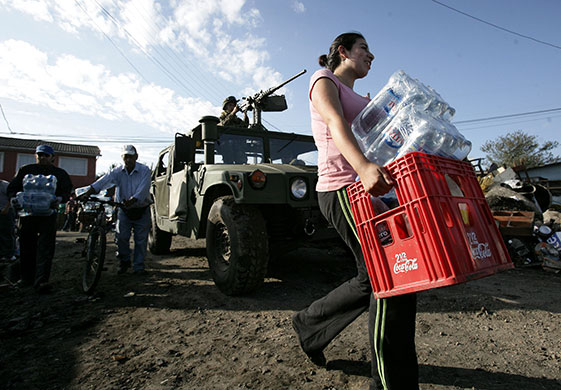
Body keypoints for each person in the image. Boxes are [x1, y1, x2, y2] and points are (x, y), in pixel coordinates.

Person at [290, 33, 419, 390]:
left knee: (372, 277)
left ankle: (309, 325)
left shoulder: (364, 99)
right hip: (343, 188)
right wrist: (362, 167)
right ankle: (393, 382)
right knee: (390, 277)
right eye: (364, 48)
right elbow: (335, 123)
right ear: (342, 52)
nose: (371, 55)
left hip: (370, 191)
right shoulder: (323, 81)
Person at [7, 145, 73, 292]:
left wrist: (60, 199)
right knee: (26, 247)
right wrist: (14, 199)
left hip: (48, 216)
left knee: (45, 248)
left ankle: (42, 280)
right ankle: (26, 278)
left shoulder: (59, 174)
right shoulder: (25, 171)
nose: (42, 158)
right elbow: (13, 188)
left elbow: (67, 190)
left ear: (52, 157)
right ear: (35, 156)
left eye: (46, 155)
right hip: (27, 215)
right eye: (40, 155)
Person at [78, 145, 151, 275]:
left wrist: (133, 200)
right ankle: (124, 261)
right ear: (122, 158)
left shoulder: (144, 170)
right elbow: (102, 182)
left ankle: (138, 267)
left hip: (141, 208)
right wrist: (88, 192)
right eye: (125, 157)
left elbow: (144, 189)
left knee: (141, 240)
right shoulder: (117, 172)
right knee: (121, 237)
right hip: (124, 209)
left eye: (130, 157)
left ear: (136, 157)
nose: (128, 160)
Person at [0, 180, 16, 261]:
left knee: (7, 232)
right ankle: (2, 253)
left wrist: (6, 208)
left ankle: (9, 254)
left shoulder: (5, 185)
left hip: (6, 211)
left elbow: (11, 198)